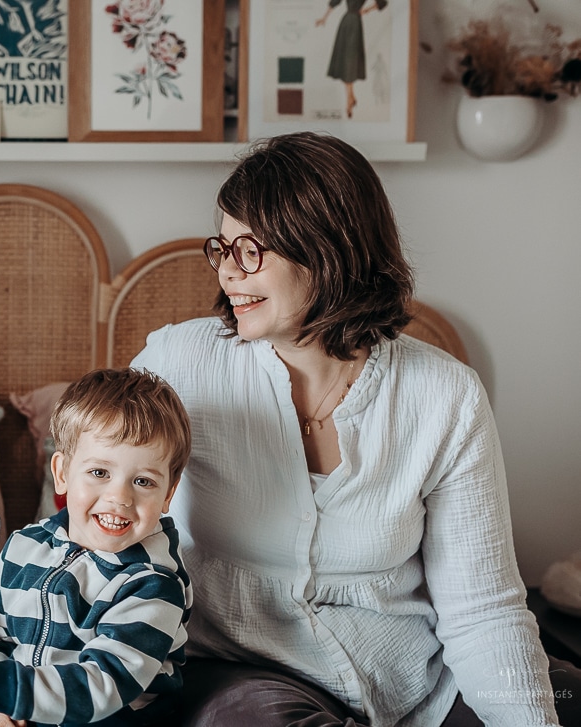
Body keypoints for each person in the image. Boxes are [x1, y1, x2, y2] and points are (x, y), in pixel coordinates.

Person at [131, 131, 581, 726]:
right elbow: (94, 505)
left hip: (412, 676)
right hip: (244, 676)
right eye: (223, 247)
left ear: (329, 250)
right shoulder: (178, 365)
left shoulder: (444, 393)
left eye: (251, 251)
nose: (229, 275)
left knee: (559, 699)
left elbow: (483, 609)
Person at [0, 368, 193, 726]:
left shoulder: (154, 583)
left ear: (168, 494)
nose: (120, 497)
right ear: (62, 474)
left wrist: (0, 687)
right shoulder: (22, 548)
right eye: (100, 472)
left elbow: (106, 685)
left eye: (143, 481)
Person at [315, 0, 387, 118]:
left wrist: (367, 10)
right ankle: (351, 97)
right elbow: (335, 2)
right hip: (346, 22)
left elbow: (382, 2)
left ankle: (349, 100)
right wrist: (324, 18)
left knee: (350, 60)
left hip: (355, 24)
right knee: (344, 60)